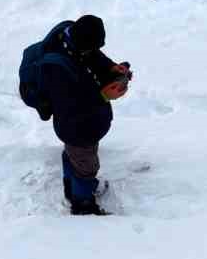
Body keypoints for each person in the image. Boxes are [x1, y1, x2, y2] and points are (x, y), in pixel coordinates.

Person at [25, 15, 132, 216]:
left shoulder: (75, 41)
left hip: (84, 126)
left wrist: (110, 68)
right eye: (92, 46)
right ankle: (82, 203)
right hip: (76, 129)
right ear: (82, 44)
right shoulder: (56, 69)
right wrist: (103, 95)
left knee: (75, 157)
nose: (95, 50)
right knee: (87, 166)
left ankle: (70, 184)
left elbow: (94, 57)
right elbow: (70, 105)